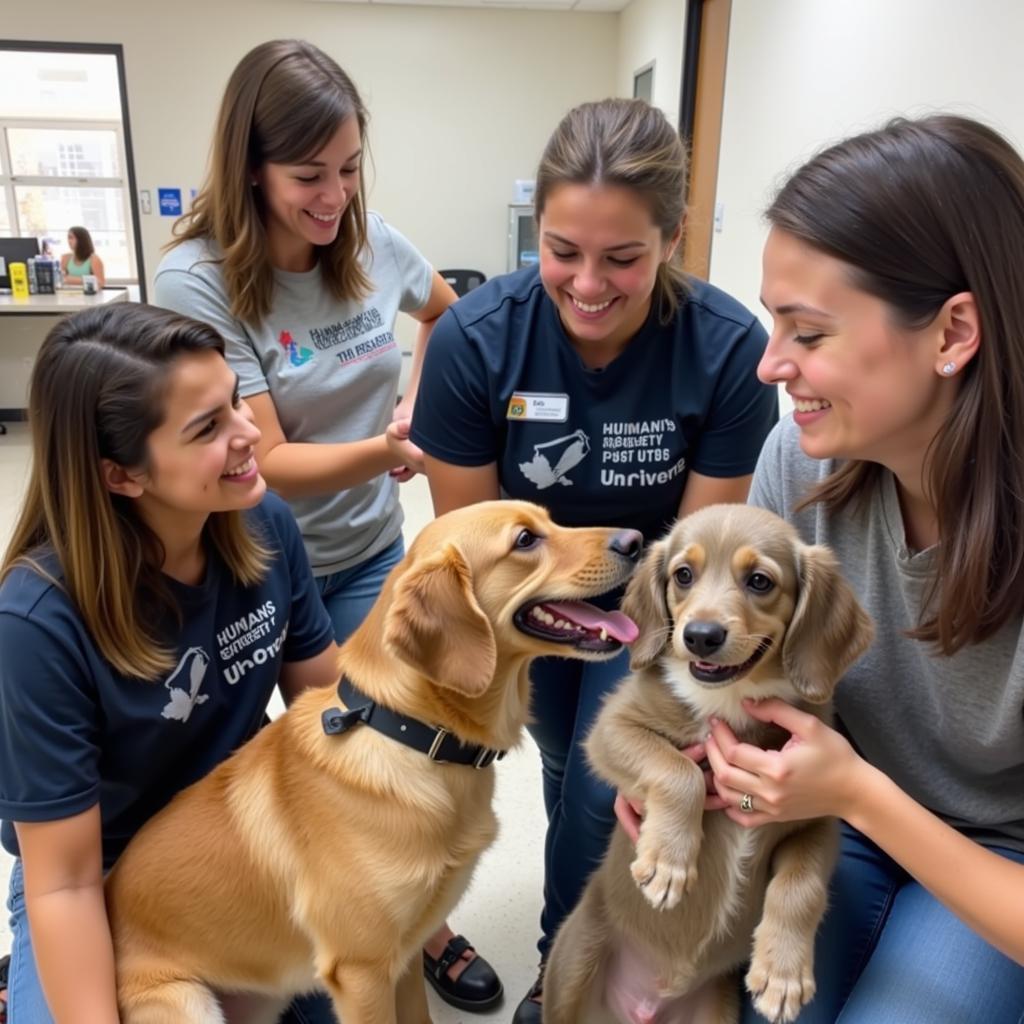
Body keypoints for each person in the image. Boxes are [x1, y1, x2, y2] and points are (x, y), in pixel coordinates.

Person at [622, 114, 1024, 1021]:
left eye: (808, 333)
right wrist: (684, 779)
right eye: (773, 325)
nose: (770, 366)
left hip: (992, 855)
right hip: (825, 807)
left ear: (954, 330)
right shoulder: (800, 466)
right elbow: (733, 681)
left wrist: (858, 796)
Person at [410, 97, 779, 1022]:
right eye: (562, 251)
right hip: (533, 600)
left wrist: (632, 643)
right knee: (563, 769)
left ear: (675, 236)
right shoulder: (476, 342)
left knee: (595, 786)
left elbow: (704, 569)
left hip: (656, 608)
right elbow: (478, 553)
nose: (587, 284)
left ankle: (558, 974)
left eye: (623, 258)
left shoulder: (728, 350)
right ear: (538, 227)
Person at [152, 39, 502, 1013]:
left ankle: (417, 922)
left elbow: (450, 312)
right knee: (307, 780)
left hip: (369, 554)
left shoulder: (369, 241)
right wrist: (400, 448)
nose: (335, 196)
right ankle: (314, 923)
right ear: (250, 168)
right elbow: (258, 463)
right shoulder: (198, 281)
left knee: (395, 758)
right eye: (309, 176)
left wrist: (420, 409)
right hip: (259, 561)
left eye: (349, 169)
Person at [0, 302, 341, 1022]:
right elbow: (63, 882)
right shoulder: (35, 625)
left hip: (238, 843)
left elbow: (333, 711)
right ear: (121, 475)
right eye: (207, 428)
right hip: (102, 876)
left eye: (236, 402)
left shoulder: (264, 525)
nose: (251, 434)